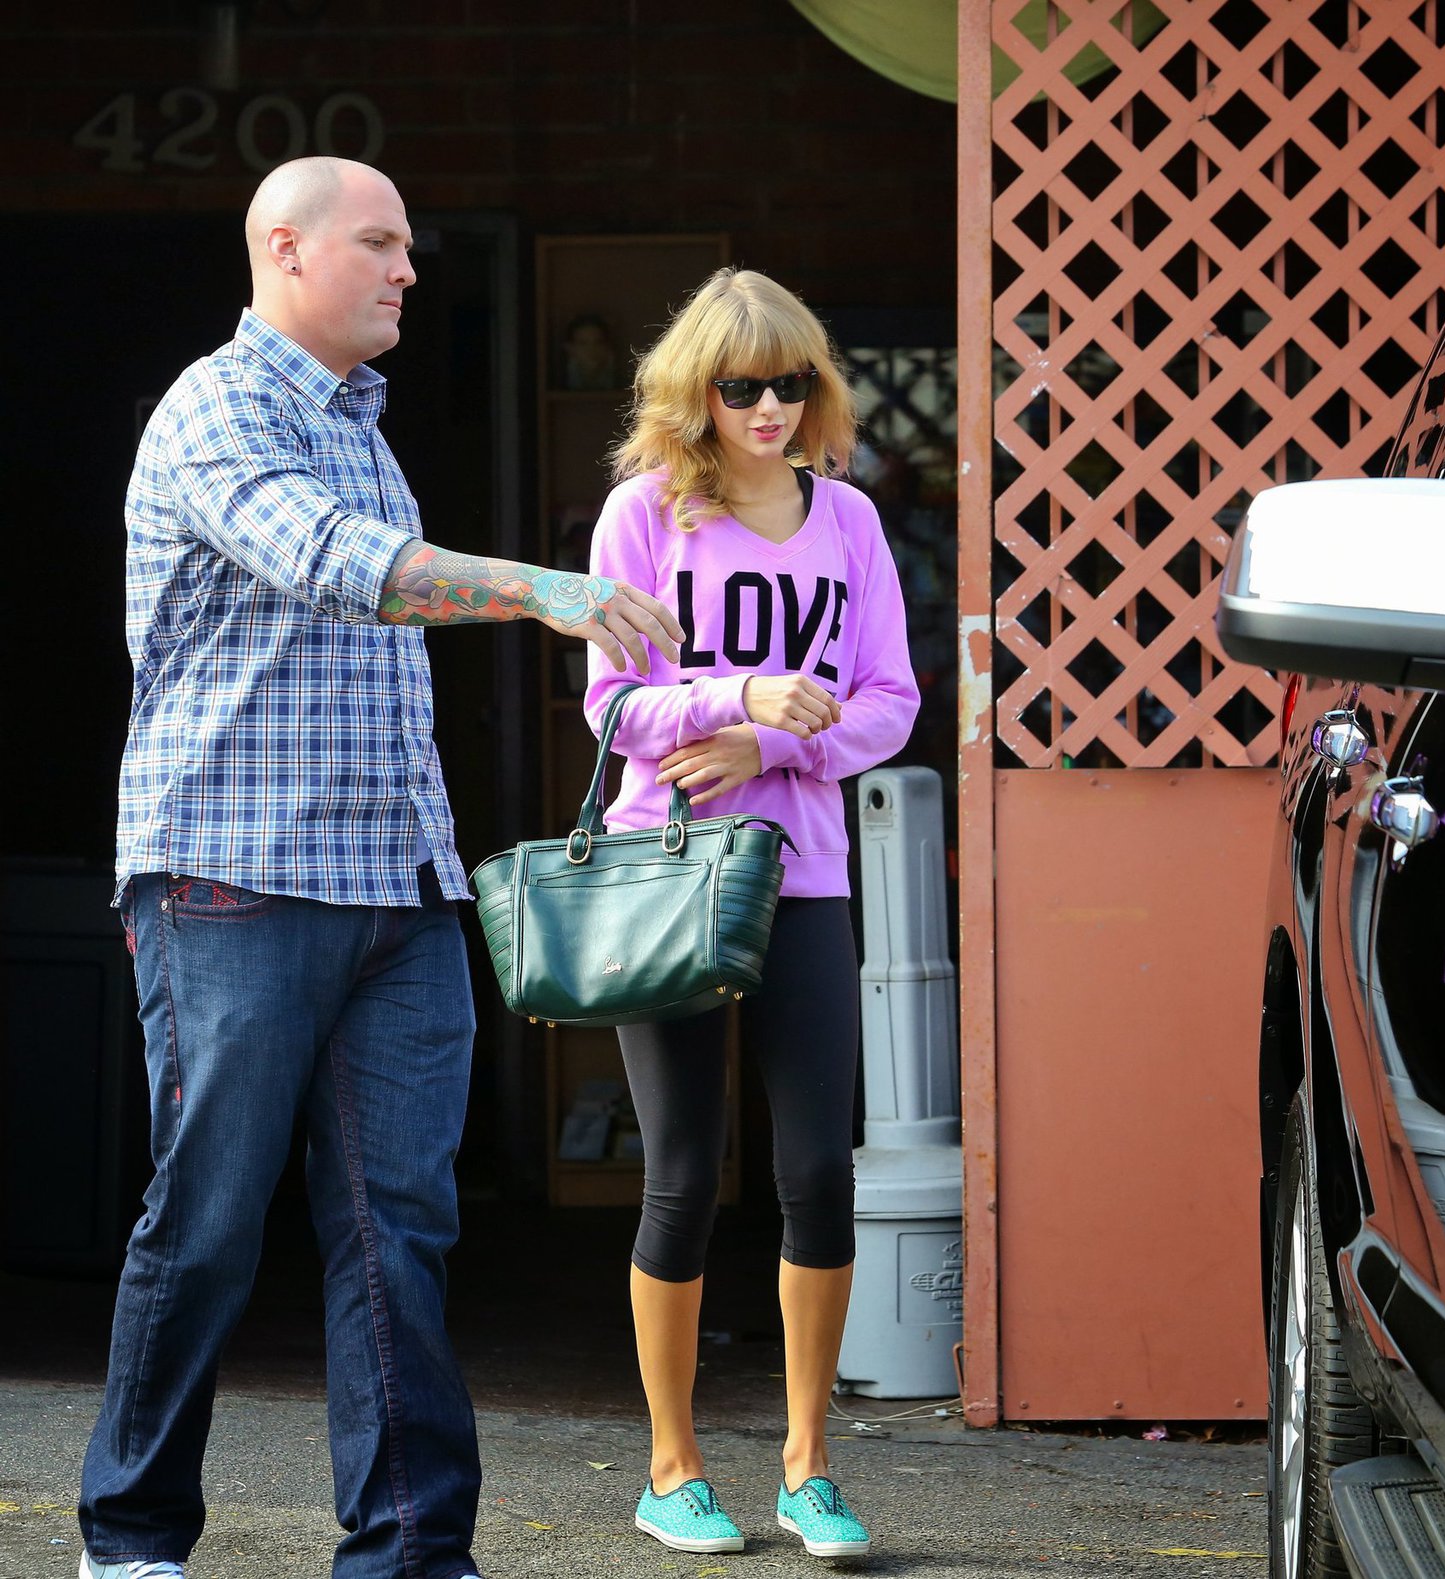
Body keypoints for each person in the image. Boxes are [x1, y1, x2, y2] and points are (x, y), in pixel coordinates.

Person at [77, 156, 682, 1579]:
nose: (411, 269)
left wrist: (438, 873)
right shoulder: (218, 406)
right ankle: (133, 1538)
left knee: (395, 1231)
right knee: (210, 1222)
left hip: (399, 894)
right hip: (231, 879)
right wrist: (547, 590)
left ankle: (413, 1551)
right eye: (382, 244)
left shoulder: (362, 419)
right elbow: (344, 565)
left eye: (414, 245)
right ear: (286, 251)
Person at [583, 267, 920, 1559]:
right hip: (667, 868)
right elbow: (610, 707)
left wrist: (775, 748)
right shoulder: (642, 519)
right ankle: (670, 1470)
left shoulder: (849, 523)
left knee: (815, 1173)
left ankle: (807, 1468)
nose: (770, 408)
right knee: (679, 1174)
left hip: (807, 873)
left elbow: (889, 700)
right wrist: (739, 701)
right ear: (696, 394)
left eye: (792, 384)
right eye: (742, 387)